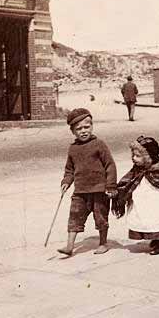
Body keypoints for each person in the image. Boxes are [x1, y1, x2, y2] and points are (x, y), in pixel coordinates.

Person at [58, 108, 117, 257]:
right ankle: (70, 246)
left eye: (87, 127)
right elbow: (69, 169)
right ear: (72, 131)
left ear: (92, 126)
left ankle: (103, 243)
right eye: (79, 129)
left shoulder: (99, 144)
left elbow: (110, 165)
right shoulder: (73, 149)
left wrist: (110, 185)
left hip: (99, 190)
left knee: (100, 217)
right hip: (80, 191)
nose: (83, 131)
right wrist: (66, 181)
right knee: (74, 216)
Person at [112, 135, 159, 255]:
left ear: (148, 157)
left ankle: (158, 243)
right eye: (133, 155)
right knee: (142, 217)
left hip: (156, 199)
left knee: (157, 219)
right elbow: (126, 182)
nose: (134, 159)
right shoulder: (136, 170)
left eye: (138, 156)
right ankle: (152, 239)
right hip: (141, 200)